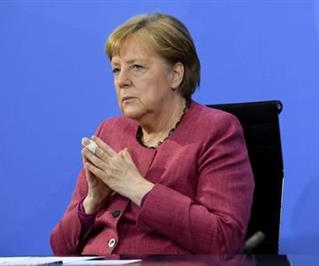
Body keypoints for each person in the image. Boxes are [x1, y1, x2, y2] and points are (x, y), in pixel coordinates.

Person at [50, 13, 254, 255]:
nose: (122, 81)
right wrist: (92, 202)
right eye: (116, 70)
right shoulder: (109, 131)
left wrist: (135, 187)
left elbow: (223, 239)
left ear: (175, 75)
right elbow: (60, 248)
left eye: (137, 67)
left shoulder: (217, 130)